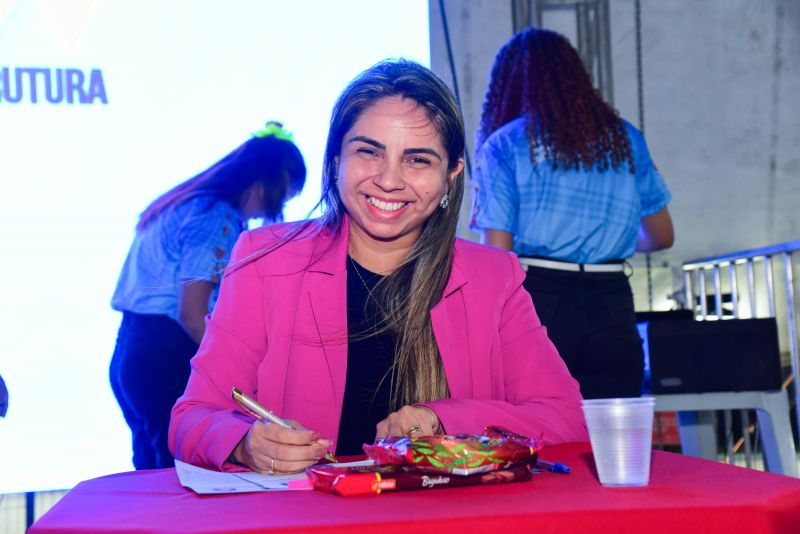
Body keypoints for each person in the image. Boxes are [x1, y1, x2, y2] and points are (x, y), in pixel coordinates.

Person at [169, 59, 588, 475]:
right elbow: (193, 417)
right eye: (369, 152)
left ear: (452, 175)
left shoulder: (494, 278)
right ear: (336, 160)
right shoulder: (266, 259)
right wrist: (245, 444)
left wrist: (442, 420)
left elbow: (567, 419)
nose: (388, 180)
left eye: (418, 160)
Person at [470, 28, 674, 400]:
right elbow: (662, 236)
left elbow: (497, 254)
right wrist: (608, 240)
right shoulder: (625, 138)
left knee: (538, 431)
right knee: (611, 434)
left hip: (539, 297)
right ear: (575, 76)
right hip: (612, 296)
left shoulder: (504, 143)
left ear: (510, 83)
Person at [110, 124, 306, 469]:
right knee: (180, 475)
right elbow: (192, 311)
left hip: (133, 351)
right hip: (166, 352)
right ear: (270, 182)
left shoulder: (187, 202)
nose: (283, 204)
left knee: (152, 474)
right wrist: (227, 367)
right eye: (287, 191)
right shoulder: (218, 218)